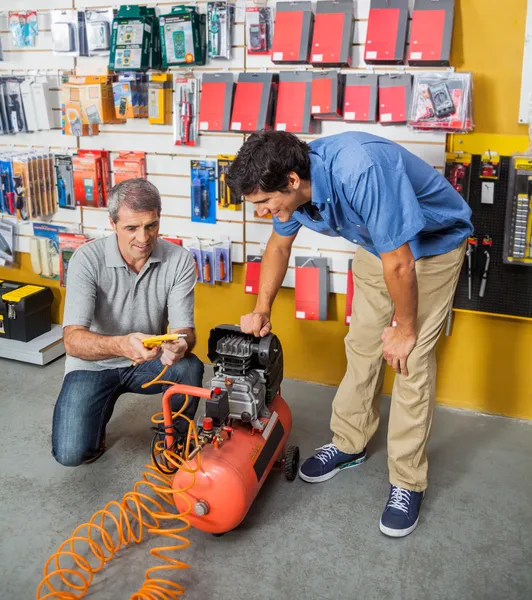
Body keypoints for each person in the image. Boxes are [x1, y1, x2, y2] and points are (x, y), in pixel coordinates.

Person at [226, 131, 473, 538]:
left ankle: (408, 483)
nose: (262, 212)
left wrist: (404, 330)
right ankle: (349, 442)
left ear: (291, 181)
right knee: (361, 348)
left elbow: (402, 264)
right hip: (380, 248)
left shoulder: (360, 170)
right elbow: (277, 248)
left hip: (431, 248)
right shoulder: (291, 191)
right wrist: (261, 309)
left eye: (263, 203)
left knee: (406, 361)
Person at [52, 178, 204, 467]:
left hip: (149, 360)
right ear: (113, 224)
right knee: (71, 455)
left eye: (151, 225)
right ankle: (95, 423)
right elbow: (72, 341)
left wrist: (181, 344)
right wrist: (122, 345)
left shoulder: (180, 260)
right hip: (93, 365)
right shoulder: (86, 259)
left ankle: (172, 441)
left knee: (189, 367)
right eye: (131, 228)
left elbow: (186, 330)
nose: (144, 238)